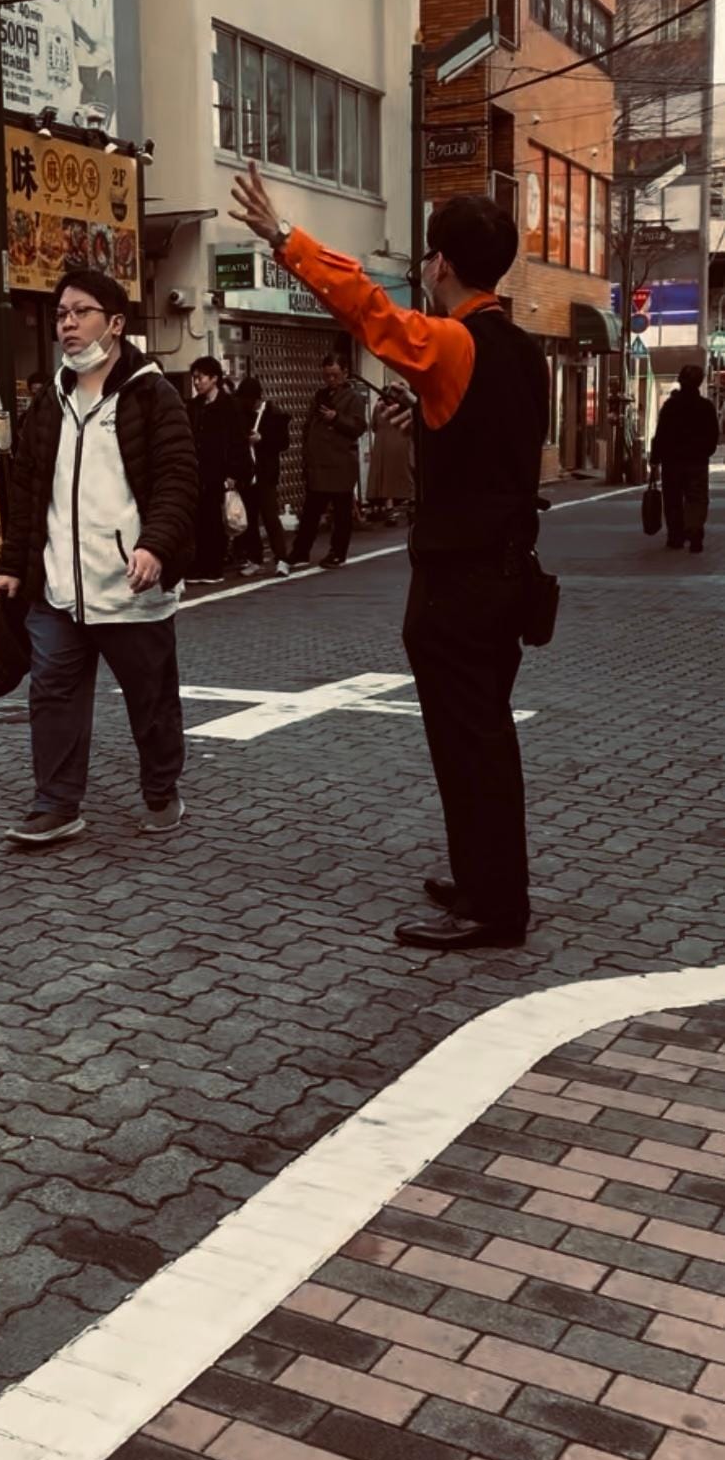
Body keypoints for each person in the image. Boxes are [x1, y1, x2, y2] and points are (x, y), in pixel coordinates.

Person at [231, 165, 548, 952]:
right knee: (482, 736)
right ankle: (484, 879)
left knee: (468, 743)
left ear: (441, 264)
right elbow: (493, 444)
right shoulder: (522, 349)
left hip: (459, 583)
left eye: (429, 258)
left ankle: (494, 906)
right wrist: (430, 420)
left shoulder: (453, 342)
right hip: (508, 575)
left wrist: (284, 237)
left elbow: (367, 308)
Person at [0, 269, 196, 846]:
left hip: (130, 588)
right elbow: (28, 492)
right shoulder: (49, 401)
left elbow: (179, 480)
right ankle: (56, 805)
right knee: (52, 695)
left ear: (116, 322)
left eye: (82, 312)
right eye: (61, 314)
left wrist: (155, 546)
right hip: (58, 588)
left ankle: (161, 791)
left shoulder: (153, 396)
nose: (68, 324)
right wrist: (11, 565)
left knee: (150, 702)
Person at [289, 353, 368, 569]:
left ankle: (337, 552)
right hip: (318, 463)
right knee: (310, 512)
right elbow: (309, 426)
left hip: (340, 463)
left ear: (345, 373)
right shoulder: (320, 395)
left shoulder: (353, 398)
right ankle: (300, 551)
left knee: (341, 512)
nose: (331, 380)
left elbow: (358, 427)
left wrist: (337, 418)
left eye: (335, 375)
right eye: (327, 376)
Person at [187, 356, 248, 582]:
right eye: (194, 378)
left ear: (214, 378)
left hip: (220, 471)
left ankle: (214, 567)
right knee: (199, 519)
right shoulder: (194, 406)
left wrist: (234, 473)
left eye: (200, 377)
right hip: (199, 471)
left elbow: (238, 441)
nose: (197, 382)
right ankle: (199, 565)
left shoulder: (229, 406)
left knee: (215, 519)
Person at [650, 363, 718, 553]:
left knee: (673, 498)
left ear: (680, 381)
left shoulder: (671, 406)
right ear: (699, 382)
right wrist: (705, 452)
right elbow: (713, 435)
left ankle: (676, 537)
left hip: (672, 462)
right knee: (697, 498)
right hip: (697, 461)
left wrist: (655, 458)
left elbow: (661, 434)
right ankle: (694, 531)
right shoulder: (706, 407)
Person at [235, 375, 291, 575]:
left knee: (270, 516)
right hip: (248, 473)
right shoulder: (242, 414)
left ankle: (281, 558)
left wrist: (262, 439)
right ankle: (255, 558)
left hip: (266, 473)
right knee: (250, 519)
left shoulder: (273, 414)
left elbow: (283, 442)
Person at [366, 383, 416, 524]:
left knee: (387, 479)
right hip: (402, 444)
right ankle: (412, 507)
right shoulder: (406, 408)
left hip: (383, 446)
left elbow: (374, 426)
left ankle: (390, 511)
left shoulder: (379, 407)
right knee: (407, 476)